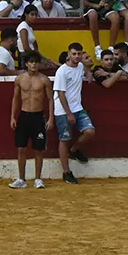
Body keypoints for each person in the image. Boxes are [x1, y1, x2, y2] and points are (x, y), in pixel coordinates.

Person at [52, 43, 96, 184]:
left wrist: (88, 73)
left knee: (90, 131)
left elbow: (86, 69)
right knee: (64, 139)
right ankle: (66, 172)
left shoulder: (81, 66)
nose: (76, 56)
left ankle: (75, 149)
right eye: (74, 54)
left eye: (79, 54)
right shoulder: (62, 71)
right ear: (69, 54)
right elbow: (60, 93)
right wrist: (69, 113)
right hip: (63, 110)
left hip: (77, 107)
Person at [10, 51, 52, 188]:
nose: (34, 64)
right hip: (24, 115)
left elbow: (50, 99)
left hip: (38, 116)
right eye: (31, 61)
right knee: (21, 148)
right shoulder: (19, 79)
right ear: (27, 63)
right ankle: (21, 179)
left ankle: (38, 178)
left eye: (36, 61)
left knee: (39, 149)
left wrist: (51, 118)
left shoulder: (44, 80)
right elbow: (16, 98)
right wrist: (13, 117)